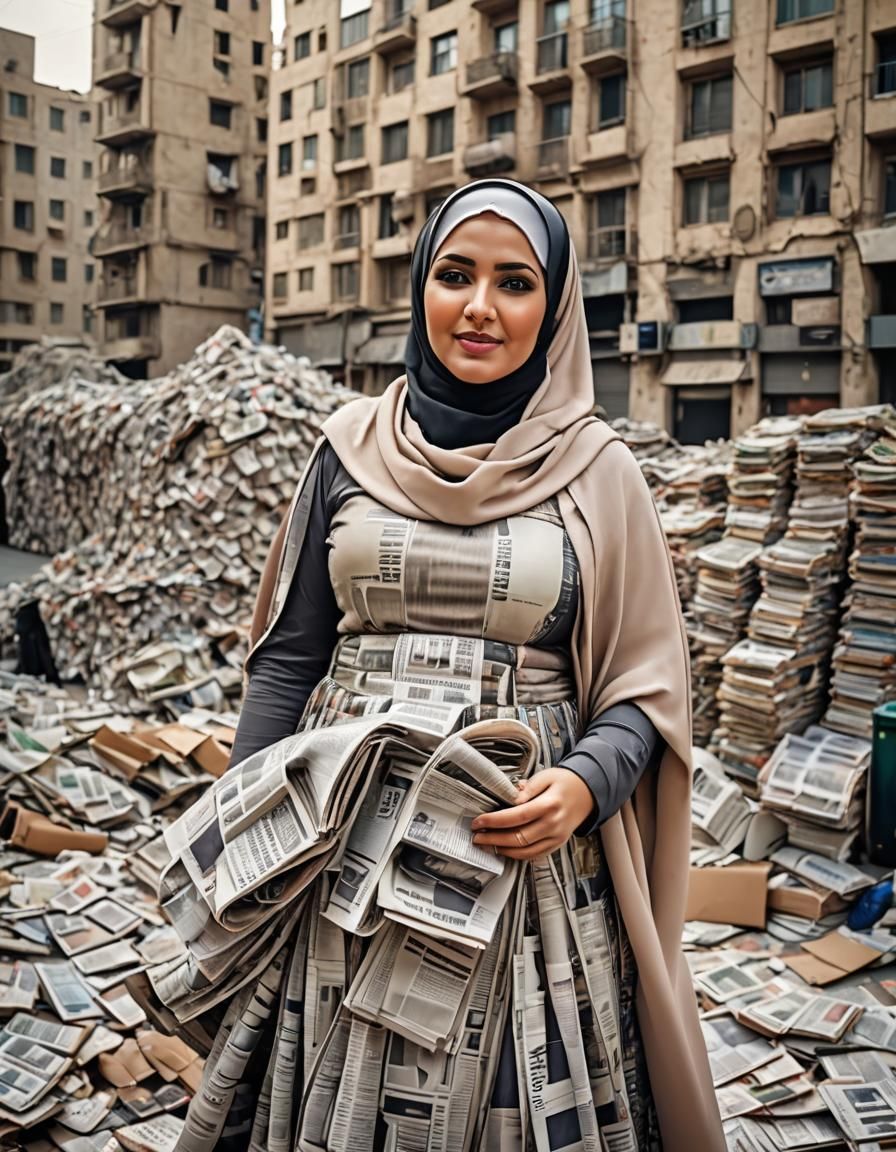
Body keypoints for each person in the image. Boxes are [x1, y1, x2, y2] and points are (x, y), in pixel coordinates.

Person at [214, 178, 724, 1152]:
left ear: (554, 307)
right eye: (455, 275)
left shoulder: (598, 469)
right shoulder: (347, 450)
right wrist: (244, 842)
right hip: (342, 858)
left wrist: (584, 784)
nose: (480, 307)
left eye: (514, 283)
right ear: (420, 289)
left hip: (522, 866)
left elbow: (646, 689)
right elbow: (287, 661)